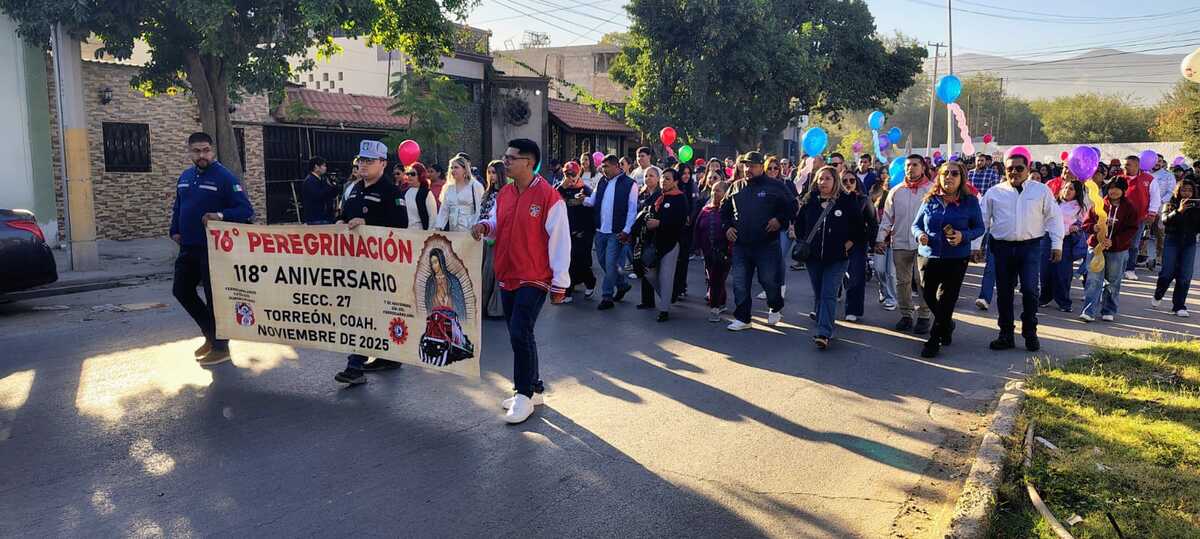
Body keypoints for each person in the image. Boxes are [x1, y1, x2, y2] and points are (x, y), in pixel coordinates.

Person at [471, 138, 570, 424]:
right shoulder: (505, 193)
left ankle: (523, 393)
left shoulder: (549, 197)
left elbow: (560, 241)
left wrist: (560, 282)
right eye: (505, 157)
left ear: (528, 162)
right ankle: (534, 388)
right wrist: (485, 226)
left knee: (519, 331)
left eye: (511, 158)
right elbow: (497, 223)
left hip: (534, 276)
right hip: (507, 272)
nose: (506, 162)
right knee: (521, 333)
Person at [170, 132, 255, 366]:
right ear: (189, 152)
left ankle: (221, 347)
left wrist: (220, 215)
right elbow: (179, 206)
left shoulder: (224, 177)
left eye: (206, 150)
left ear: (212, 150)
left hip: (214, 250)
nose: (202, 155)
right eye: (197, 151)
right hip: (188, 246)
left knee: (214, 298)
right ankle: (210, 335)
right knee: (181, 291)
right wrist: (174, 230)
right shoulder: (185, 177)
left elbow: (245, 210)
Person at [333, 140, 405, 384]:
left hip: (380, 266)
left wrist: (369, 225)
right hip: (355, 263)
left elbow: (400, 226)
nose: (363, 165)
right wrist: (341, 222)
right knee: (367, 312)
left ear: (383, 164)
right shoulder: (354, 189)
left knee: (367, 313)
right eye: (361, 160)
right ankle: (390, 356)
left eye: (369, 161)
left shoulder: (391, 192)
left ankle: (354, 366)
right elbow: (344, 214)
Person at [974, 153, 1064, 351]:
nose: (1014, 172)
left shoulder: (1041, 190)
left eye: (1019, 168)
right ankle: (1006, 334)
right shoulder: (994, 192)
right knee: (1004, 292)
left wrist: (1057, 244)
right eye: (1009, 169)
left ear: (1027, 168)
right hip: (1001, 248)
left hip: (1030, 248)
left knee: (1030, 291)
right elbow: (983, 220)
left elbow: (1054, 217)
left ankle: (1030, 333)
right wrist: (976, 246)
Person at [911, 161, 985, 358]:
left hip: (956, 258)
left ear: (961, 178)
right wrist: (920, 235)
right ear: (939, 177)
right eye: (945, 173)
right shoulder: (930, 199)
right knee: (928, 295)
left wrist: (963, 236)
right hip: (929, 256)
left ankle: (934, 339)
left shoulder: (970, 202)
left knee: (946, 299)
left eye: (954, 174)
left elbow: (980, 228)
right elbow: (916, 225)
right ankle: (947, 323)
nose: (949, 177)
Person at [794, 166, 865, 349]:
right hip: (813, 257)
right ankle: (823, 319)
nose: (822, 182)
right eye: (820, 178)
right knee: (819, 292)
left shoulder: (847, 201)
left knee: (828, 293)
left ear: (835, 181)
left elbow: (859, 228)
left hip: (838, 258)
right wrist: (803, 241)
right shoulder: (810, 200)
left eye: (827, 178)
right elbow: (799, 224)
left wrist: (847, 244)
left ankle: (824, 332)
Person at [721, 152, 791, 331]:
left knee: (768, 281)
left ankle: (775, 306)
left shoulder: (775, 186)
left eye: (752, 166)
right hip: (741, 244)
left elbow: (792, 206)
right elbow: (724, 210)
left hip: (766, 244)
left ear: (761, 167)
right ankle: (743, 318)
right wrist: (727, 227)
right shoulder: (736, 186)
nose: (747, 169)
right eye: (745, 165)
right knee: (740, 283)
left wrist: (780, 220)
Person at [877, 154, 934, 334]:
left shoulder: (932, 190)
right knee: (902, 281)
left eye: (915, 165)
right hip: (900, 242)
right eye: (908, 165)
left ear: (923, 167)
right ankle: (906, 314)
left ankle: (924, 316)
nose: (911, 168)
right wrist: (880, 238)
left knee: (922, 280)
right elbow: (887, 218)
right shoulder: (896, 191)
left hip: (924, 245)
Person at [583, 154, 638, 310]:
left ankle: (607, 296)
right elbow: (592, 201)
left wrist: (626, 230)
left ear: (616, 166)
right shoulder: (602, 181)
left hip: (617, 232)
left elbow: (632, 210)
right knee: (603, 262)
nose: (603, 169)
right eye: (602, 167)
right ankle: (622, 284)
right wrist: (582, 199)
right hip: (600, 230)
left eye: (606, 166)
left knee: (610, 263)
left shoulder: (630, 184)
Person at [1080, 178, 1139, 322]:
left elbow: (1132, 229)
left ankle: (1108, 310)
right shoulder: (1099, 204)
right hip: (1096, 248)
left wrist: (1115, 242)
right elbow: (1086, 224)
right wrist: (1093, 227)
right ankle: (1089, 311)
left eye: (1118, 188)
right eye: (1111, 188)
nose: (1114, 191)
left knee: (1113, 281)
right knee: (1093, 280)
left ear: (1123, 190)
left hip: (1117, 251)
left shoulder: (1129, 207)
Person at [636, 168, 688, 321]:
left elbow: (680, 222)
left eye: (668, 178)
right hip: (655, 242)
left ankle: (664, 310)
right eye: (663, 178)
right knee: (649, 273)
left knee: (665, 276)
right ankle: (668, 297)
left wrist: (660, 223)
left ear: (676, 182)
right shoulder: (659, 197)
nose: (663, 181)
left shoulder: (680, 198)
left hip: (671, 243)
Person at [1152, 179, 1199, 317]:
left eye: (1190, 190)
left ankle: (1179, 306)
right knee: (1167, 273)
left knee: (1185, 276)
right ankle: (1159, 293)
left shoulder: (1197, 206)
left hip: (1189, 243)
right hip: (1172, 241)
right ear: (1178, 191)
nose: (1187, 193)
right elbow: (1165, 221)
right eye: (1184, 190)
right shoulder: (1170, 204)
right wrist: (1179, 211)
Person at [1041, 180, 1088, 312]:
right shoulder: (1054, 203)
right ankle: (1044, 297)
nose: (1067, 191)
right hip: (1048, 237)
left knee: (1062, 272)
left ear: (1077, 192)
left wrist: (1076, 227)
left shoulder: (1080, 207)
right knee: (1045, 270)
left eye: (1071, 189)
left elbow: (1083, 223)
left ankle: (1064, 301)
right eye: (1066, 187)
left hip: (1066, 240)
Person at [840, 168, 879, 322]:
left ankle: (853, 309)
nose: (848, 183)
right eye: (844, 181)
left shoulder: (864, 200)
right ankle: (822, 306)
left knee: (855, 277)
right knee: (832, 277)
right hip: (836, 242)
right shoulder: (834, 199)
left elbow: (872, 224)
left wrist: (873, 244)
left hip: (857, 243)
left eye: (852, 180)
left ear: (856, 182)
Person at [556, 161, 596, 303]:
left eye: (572, 174)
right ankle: (569, 290)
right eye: (567, 174)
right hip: (565, 230)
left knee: (580, 261)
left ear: (578, 173)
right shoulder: (560, 188)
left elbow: (592, 210)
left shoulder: (586, 189)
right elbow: (551, 200)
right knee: (567, 261)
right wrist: (562, 187)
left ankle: (589, 282)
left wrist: (585, 231)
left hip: (583, 231)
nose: (570, 177)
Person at [758, 156, 796, 299]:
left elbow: (795, 205)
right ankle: (769, 287)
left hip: (784, 226)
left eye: (776, 168)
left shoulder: (787, 183)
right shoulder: (760, 184)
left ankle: (781, 287)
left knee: (779, 258)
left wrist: (789, 222)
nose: (773, 171)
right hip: (766, 227)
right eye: (770, 168)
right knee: (767, 259)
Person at [695, 180, 731, 322]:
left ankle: (714, 308)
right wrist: (696, 246)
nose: (715, 193)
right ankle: (721, 302)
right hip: (708, 252)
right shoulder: (705, 210)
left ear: (726, 193)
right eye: (713, 190)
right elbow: (697, 228)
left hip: (724, 252)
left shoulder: (729, 211)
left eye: (718, 190)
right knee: (713, 278)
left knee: (717, 278)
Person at [1119, 155, 1159, 280]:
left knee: (1134, 245)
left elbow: (1155, 197)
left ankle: (1130, 269)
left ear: (1137, 165)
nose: (1125, 167)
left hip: (1139, 218)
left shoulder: (1149, 179)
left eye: (1128, 165)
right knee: (1119, 243)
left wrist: (1152, 213)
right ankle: (1118, 268)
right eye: (1124, 165)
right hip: (1120, 217)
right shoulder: (1119, 178)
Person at [479, 160, 508, 319]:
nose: (491, 176)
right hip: (484, 237)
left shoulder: (506, 193)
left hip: (498, 238)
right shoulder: (487, 193)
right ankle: (483, 307)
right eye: (489, 172)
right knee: (485, 273)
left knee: (494, 273)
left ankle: (496, 308)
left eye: (494, 172)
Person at [434, 155, 486, 232]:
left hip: (470, 231)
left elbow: (479, 209)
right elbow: (444, 210)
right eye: (451, 168)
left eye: (456, 167)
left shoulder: (475, 186)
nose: (453, 170)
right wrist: (438, 227)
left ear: (465, 169)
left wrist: (475, 227)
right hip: (453, 231)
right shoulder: (448, 188)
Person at [399, 162, 438, 230]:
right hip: (404, 233)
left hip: (420, 233)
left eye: (413, 174)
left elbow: (433, 218)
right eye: (408, 174)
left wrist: (428, 234)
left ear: (421, 176)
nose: (409, 176)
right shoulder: (403, 192)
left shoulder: (426, 193)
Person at [300, 156, 338, 224]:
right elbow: (318, 195)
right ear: (316, 167)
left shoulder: (322, 179)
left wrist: (334, 186)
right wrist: (330, 188)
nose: (325, 168)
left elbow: (331, 194)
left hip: (325, 217)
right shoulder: (310, 181)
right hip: (316, 218)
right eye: (324, 166)